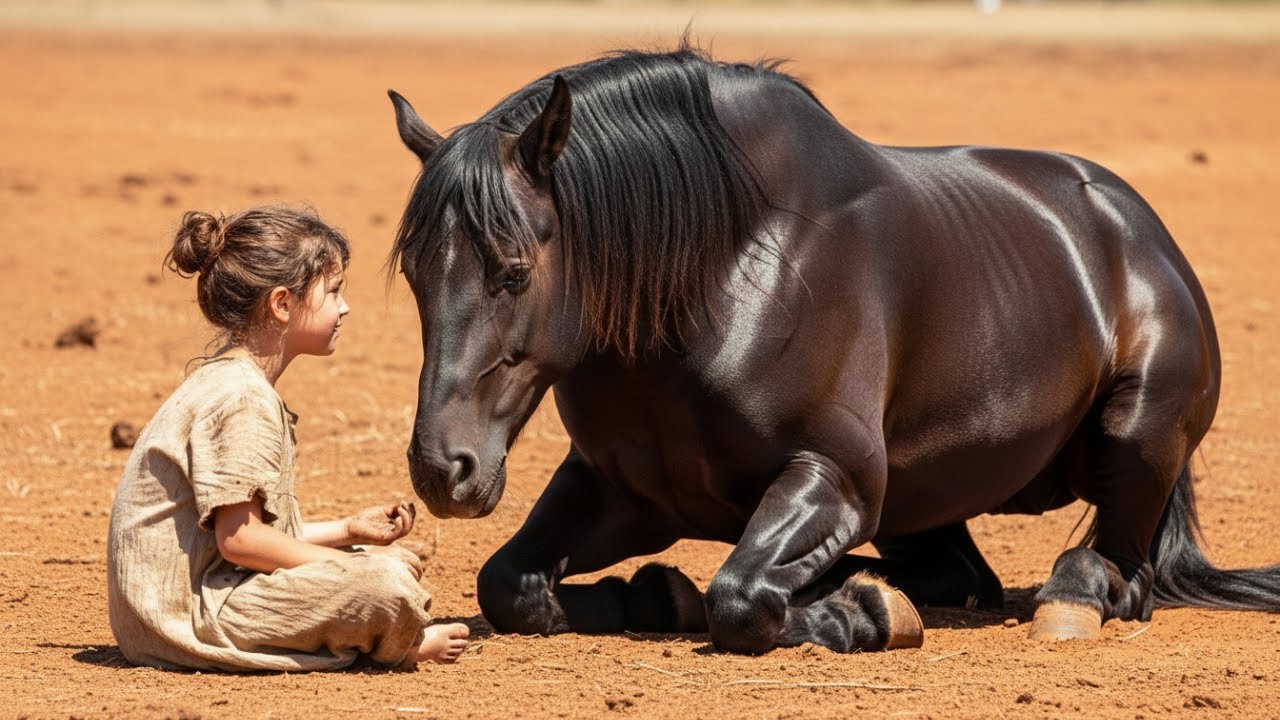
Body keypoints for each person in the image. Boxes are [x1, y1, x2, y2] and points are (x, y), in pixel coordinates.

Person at [107, 205, 469, 671]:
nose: (345, 307)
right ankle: (401, 644)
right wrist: (352, 568)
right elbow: (241, 542)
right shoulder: (243, 399)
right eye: (333, 292)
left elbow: (241, 536)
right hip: (189, 620)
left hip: (166, 611)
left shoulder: (230, 381)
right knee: (385, 584)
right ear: (281, 304)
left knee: (385, 564)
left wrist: (347, 532)